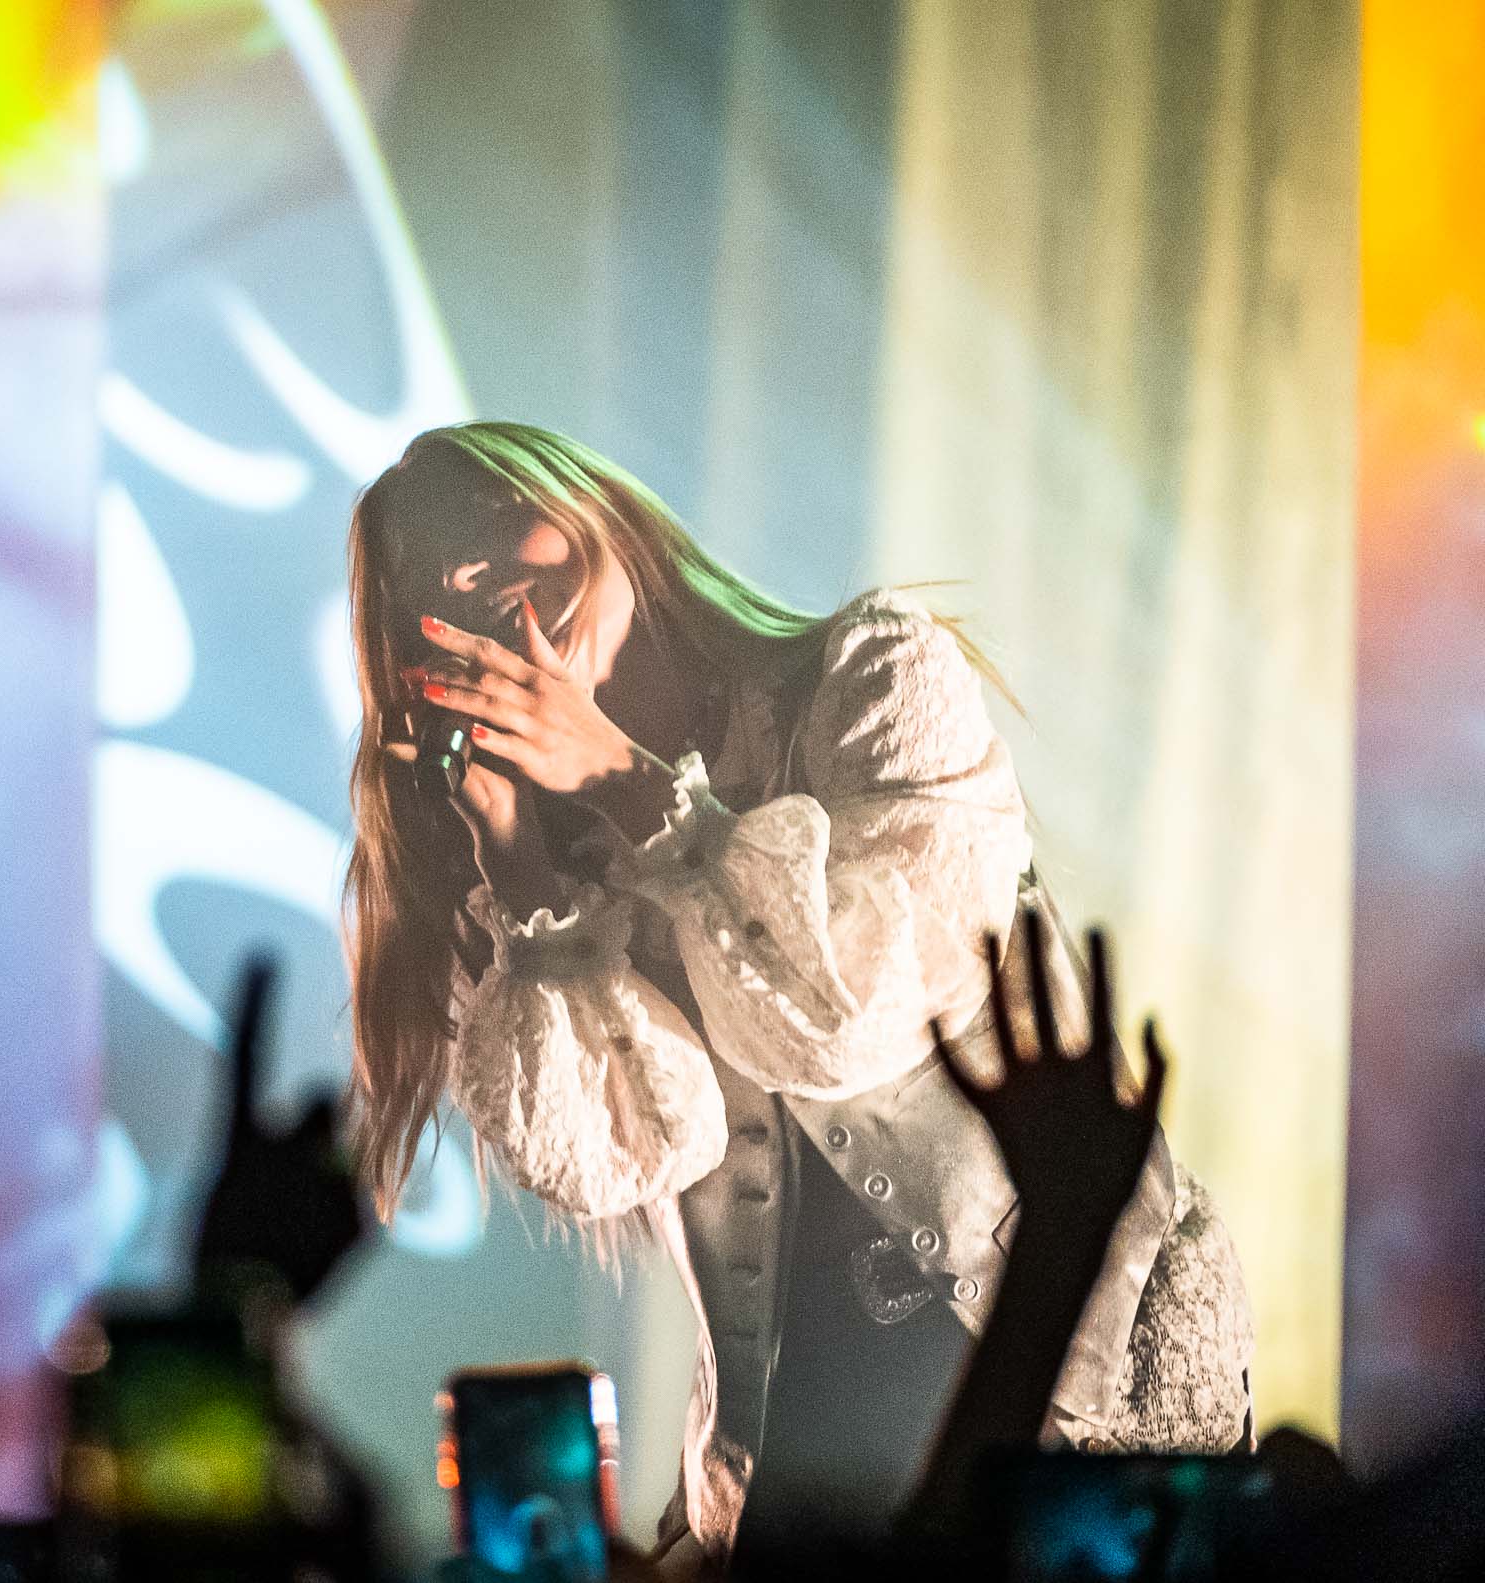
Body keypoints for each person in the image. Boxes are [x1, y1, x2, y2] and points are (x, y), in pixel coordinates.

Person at [340, 422, 1255, 1574]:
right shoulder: (539, 876)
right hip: (800, 1447)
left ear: (596, 510)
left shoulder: (875, 674)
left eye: (489, 523)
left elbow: (846, 1020)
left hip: (1070, 1375)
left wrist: (630, 784)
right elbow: (622, 1150)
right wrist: (523, 871)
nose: (475, 576)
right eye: (435, 577)